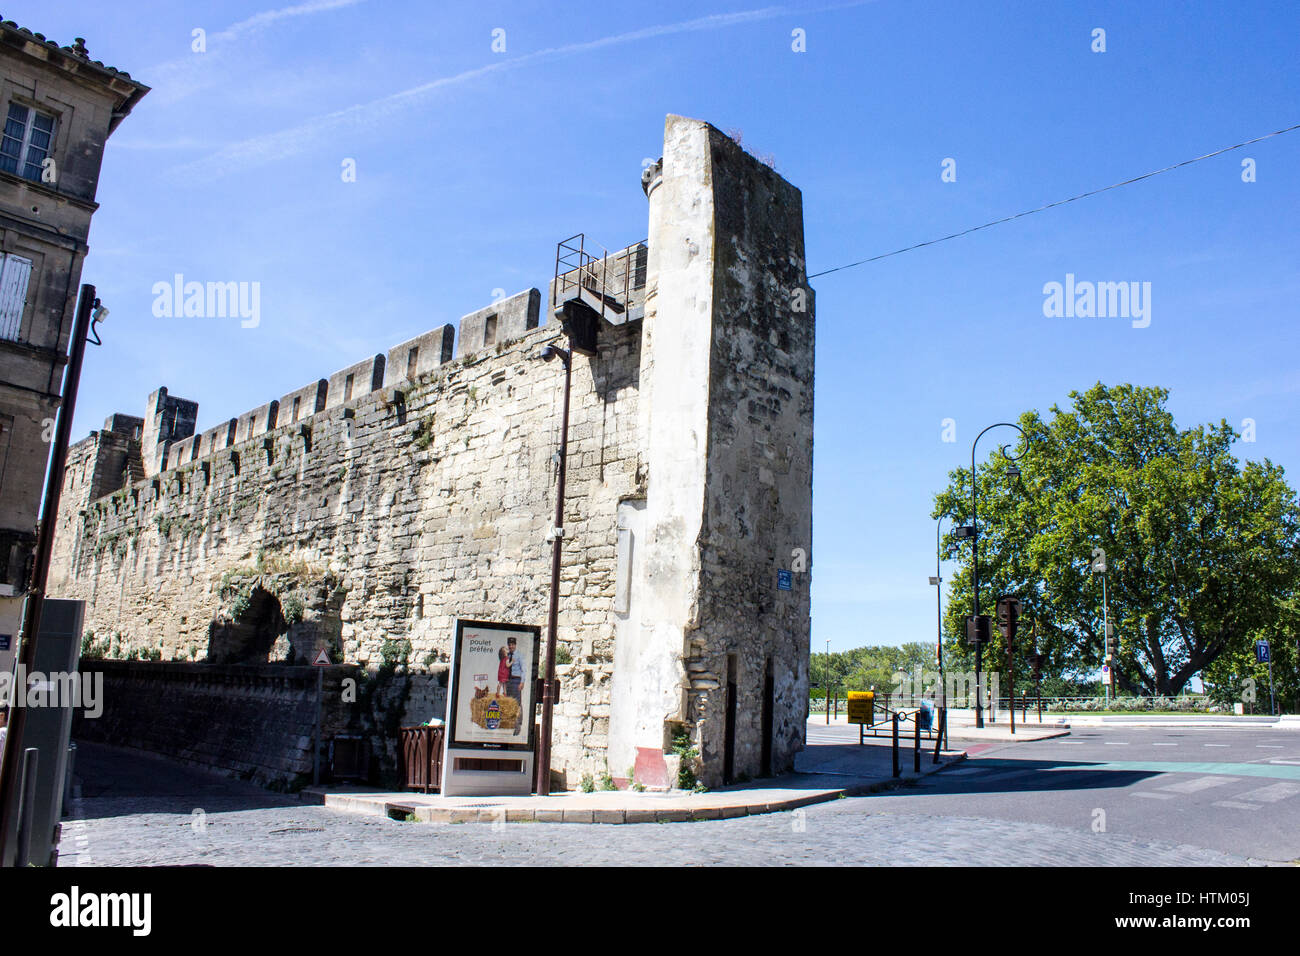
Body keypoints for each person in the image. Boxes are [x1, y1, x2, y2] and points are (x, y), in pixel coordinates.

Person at [506, 637, 525, 735]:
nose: (511, 646)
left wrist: (522, 682)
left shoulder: (519, 655)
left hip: (516, 680)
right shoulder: (507, 656)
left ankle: (518, 725)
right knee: (509, 702)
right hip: (509, 681)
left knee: (517, 702)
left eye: (512, 644)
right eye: (509, 644)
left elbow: (523, 670)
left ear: (515, 645)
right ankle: (512, 723)